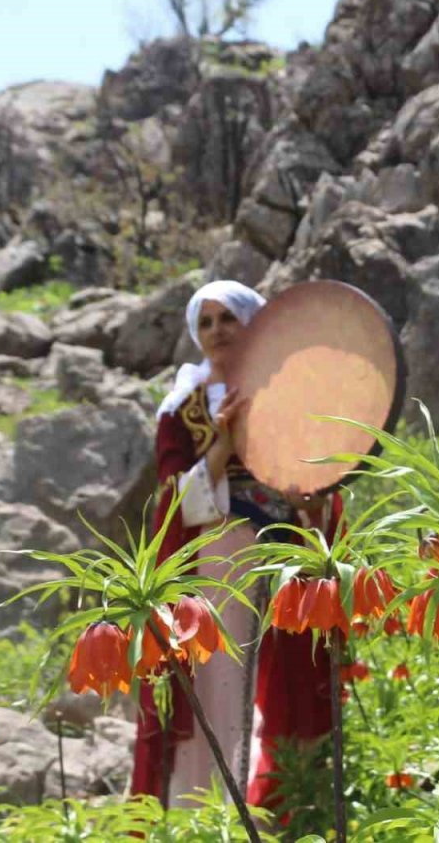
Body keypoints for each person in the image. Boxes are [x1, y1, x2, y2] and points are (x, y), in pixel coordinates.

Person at [131, 280, 340, 811]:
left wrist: (313, 503)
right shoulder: (184, 407)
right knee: (217, 682)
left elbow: (324, 476)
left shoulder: (292, 394)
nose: (218, 330)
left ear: (254, 323)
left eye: (229, 318)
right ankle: (208, 811)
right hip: (218, 553)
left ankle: (284, 803)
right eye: (206, 321)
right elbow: (172, 496)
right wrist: (222, 448)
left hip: (290, 552)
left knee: (292, 673)